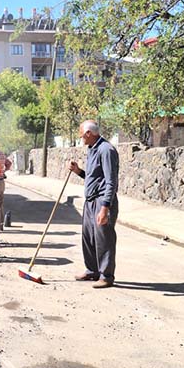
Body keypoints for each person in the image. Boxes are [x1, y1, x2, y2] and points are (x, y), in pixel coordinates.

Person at [68, 120, 120, 288]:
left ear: (89, 133)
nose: (80, 137)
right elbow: (93, 177)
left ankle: (106, 276)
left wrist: (105, 208)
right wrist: (78, 171)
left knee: (104, 239)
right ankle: (92, 270)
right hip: (90, 201)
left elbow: (111, 181)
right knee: (89, 237)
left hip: (102, 201)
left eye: (81, 134)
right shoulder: (92, 149)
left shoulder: (106, 150)